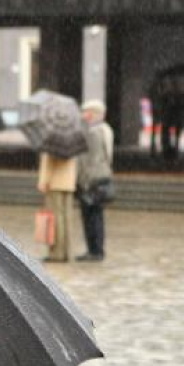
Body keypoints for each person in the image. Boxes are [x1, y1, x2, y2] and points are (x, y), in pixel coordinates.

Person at [74, 100, 115, 262]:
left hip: (92, 180)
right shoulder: (106, 129)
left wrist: (83, 180)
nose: (83, 115)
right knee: (96, 215)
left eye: (85, 112)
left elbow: (89, 160)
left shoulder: (93, 132)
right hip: (103, 176)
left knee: (92, 217)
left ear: (92, 113)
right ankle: (95, 249)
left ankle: (95, 250)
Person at [36, 149, 77, 263]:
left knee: (56, 220)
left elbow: (47, 164)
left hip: (55, 184)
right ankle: (67, 252)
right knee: (67, 219)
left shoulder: (52, 143)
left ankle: (56, 253)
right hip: (69, 184)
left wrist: (43, 181)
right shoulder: (73, 143)